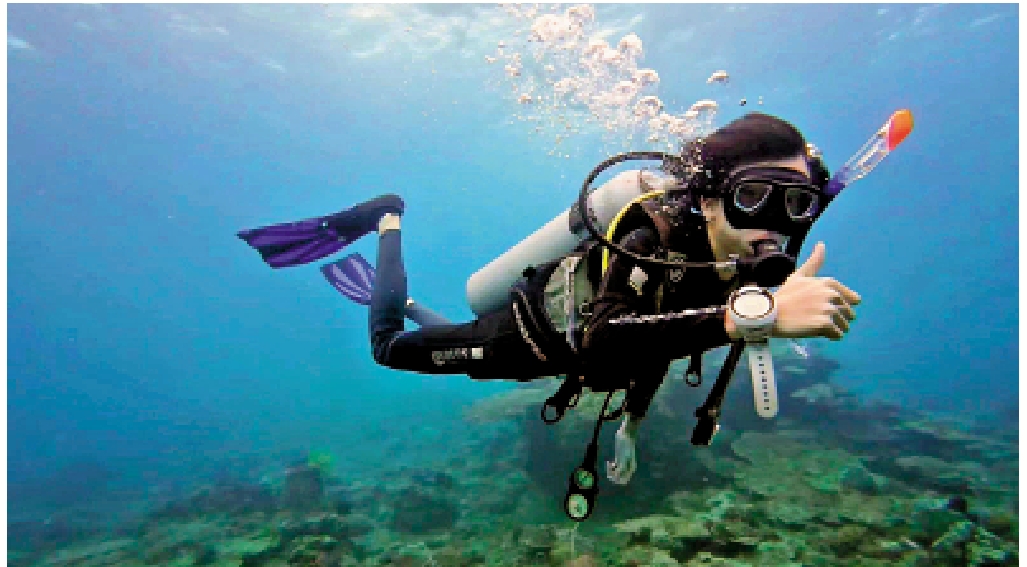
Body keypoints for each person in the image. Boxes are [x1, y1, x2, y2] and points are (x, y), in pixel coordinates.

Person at [238, 112, 861, 490]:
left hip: (553, 359)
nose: (776, 225)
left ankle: (419, 308)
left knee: (463, 339)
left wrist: (631, 432)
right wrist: (762, 315)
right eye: (757, 197)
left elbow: (660, 344)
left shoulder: (728, 263)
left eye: (797, 204)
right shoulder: (651, 237)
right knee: (389, 351)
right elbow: (609, 340)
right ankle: (387, 219)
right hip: (530, 333)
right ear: (706, 197)